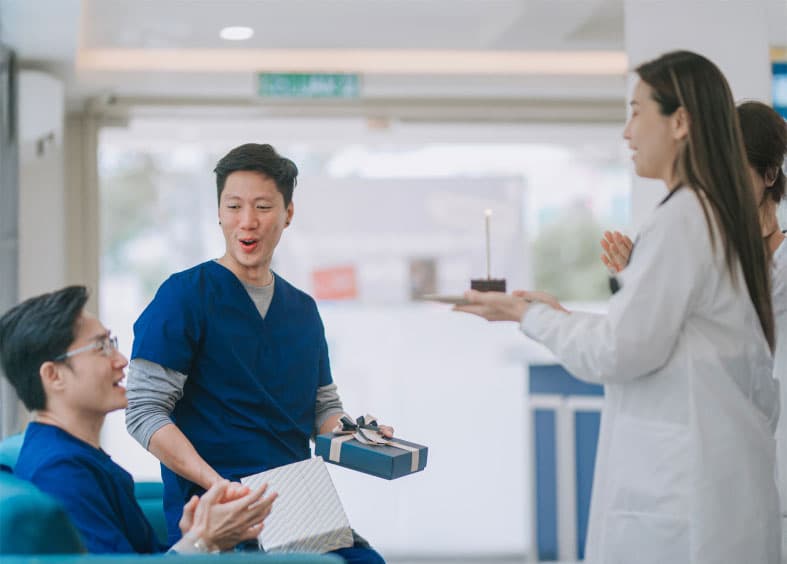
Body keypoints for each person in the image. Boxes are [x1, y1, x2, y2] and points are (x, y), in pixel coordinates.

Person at [455, 50, 780, 563]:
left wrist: (528, 316)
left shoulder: (686, 220)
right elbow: (663, 341)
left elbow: (618, 352)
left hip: (687, 499)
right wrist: (558, 317)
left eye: (635, 111)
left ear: (680, 121)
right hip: (711, 483)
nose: (626, 133)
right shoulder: (708, 215)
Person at [125, 143, 388, 563]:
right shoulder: (183, 296)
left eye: (263, 206)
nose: (247, 222)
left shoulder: (302, 310)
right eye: (233, 206)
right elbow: (143, 412)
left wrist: (359, 435)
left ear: (288, 213)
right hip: (217, 509)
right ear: (218, 212)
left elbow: (322, 409)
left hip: (298, 504)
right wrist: (218, 485)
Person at [602, 99, 787, 557]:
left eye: (733, 170)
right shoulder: (703, 257)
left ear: (768, 176)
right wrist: (640, 280)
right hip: (724, 465)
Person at [0, 285, 277, 554]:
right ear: (53, 375)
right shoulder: (61, 472)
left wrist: (196, 538)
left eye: (112, 343)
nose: (121, 360)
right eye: (101, 347)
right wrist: (201, 542)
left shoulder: (72, 455)